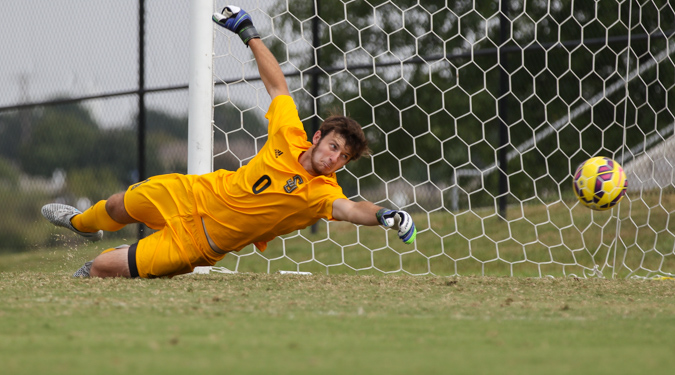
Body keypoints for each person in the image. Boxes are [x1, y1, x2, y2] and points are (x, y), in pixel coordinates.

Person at [41, 6, 417, 279]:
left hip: (198, 244)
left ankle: (99, 266)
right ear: (317, 138)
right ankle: (80, 223)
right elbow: (277, 86)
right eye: (334, 147)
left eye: (345, 158)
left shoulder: (320, 194)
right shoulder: (289, 134)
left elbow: (353, 210)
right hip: (194, 194)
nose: (336, 159)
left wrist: (385, 215)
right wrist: (248, 32)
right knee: (121, 203)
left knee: (107, 268)